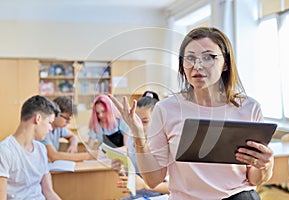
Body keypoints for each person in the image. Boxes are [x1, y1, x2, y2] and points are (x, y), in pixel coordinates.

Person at [109, 27, 274, 200]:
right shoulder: (166, 109)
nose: (197, 65)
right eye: (190, 58)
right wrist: (139, 135)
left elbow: (254, 179)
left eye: (208, 57)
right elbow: (152, 180)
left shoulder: (249, 108)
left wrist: (265, 165)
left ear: (225, 63)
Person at [0, 95, 61, 199]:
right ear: (38, 119)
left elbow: (49, 192)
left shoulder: (41, 149)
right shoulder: (5, 151)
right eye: (49, 122)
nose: (51, 128)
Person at [113, 91, 169, 199]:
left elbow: (172, 187)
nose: (139, 126)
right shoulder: (131, 140)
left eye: (145, 121)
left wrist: (144, 185)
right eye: (136, 120)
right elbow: (134, 178)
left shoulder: (164, 144)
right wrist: (121, 171)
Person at [41, 96, 95, 162]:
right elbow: (53, 156)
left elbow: (73, 136)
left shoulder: (59, 128)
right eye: (66, 118)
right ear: (55, 114)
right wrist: (89, 156)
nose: (68, 122)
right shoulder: (44, 129)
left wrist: (73, 145)